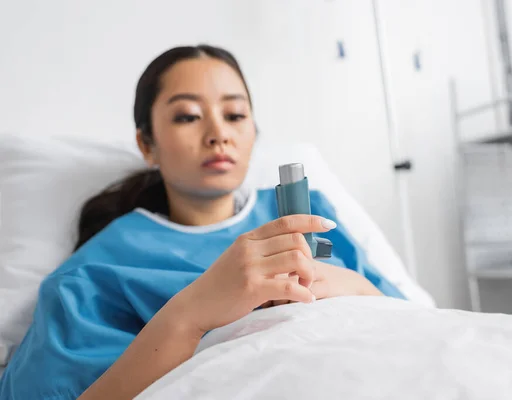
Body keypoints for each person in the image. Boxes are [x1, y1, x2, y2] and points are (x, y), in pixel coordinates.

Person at [0, 44, 405, 400]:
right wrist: (191, 314)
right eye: (188, 116)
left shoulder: (307, 213)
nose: (218, 134)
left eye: (234, 114)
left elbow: (413, 323)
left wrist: (349, 285)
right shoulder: (98, 269)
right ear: (146, 144)